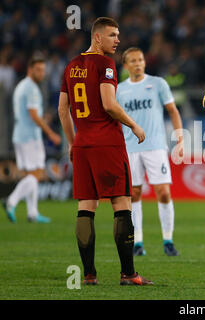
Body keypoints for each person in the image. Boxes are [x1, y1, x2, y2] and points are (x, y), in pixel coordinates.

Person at [57, 17, 152, 285]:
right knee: (122, 203)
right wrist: (134, 124)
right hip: (107, 143)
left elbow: (63, 110)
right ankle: (129, 274)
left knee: (86, 207)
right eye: (112, 35)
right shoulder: (106, 64)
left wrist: (72, 141)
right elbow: (109, 105)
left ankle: (88, 275)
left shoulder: (71, 65)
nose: (117, 40)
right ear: (97, 37)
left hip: (83, 144)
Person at [116, 47, 184, 257]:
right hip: (130, 147)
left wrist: (179, 137)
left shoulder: (158, 84)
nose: (138, 63)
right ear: (126, 66)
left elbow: (172, 110)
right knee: (134, 193)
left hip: (155, 146)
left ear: (145, 62)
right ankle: (138, 243)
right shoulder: (119, 90)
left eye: (141, 60)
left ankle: (168, 240)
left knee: (163, 192)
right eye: (133, 61)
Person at [1, 56, 61, 223]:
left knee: (29, 175)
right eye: (38, 70)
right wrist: (50, 133)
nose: (42, 73)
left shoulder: (21, 86)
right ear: (30, 70)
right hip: (30, 138)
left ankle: (32, 213)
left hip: (19, 136)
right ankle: (11, 201)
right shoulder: (31, 88)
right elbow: (34, 115)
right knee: (37, 174)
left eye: (43, 70)